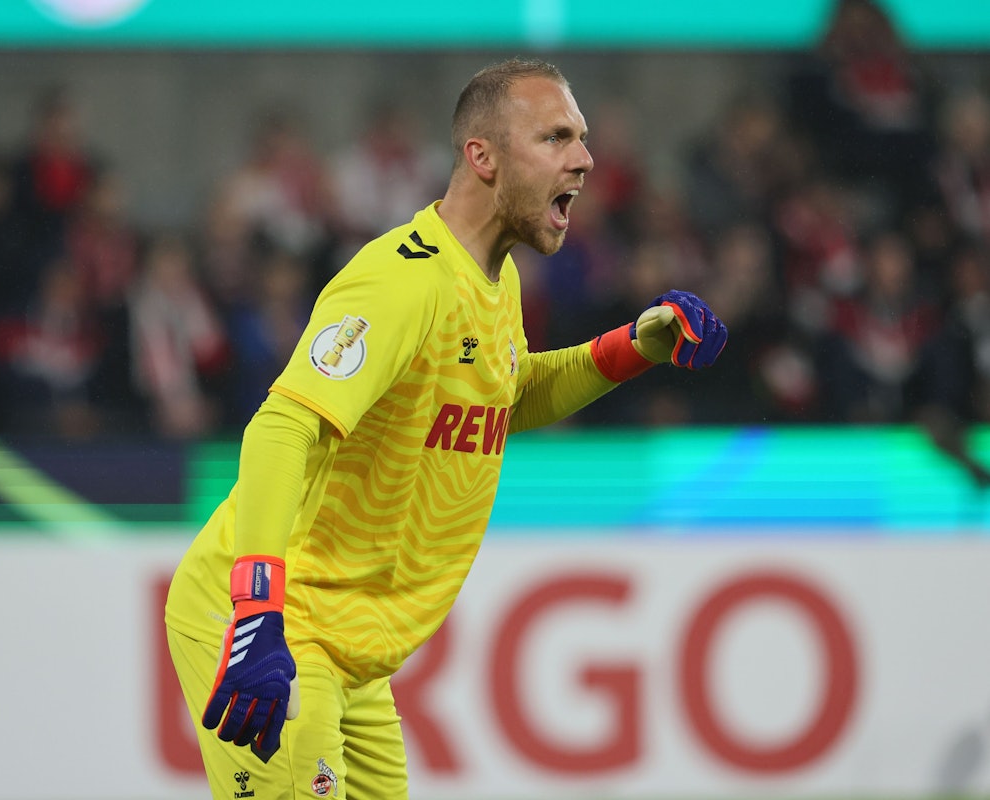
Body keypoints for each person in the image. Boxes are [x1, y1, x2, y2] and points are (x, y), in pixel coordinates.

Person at [164, 57, 727, 800]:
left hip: (350, 646)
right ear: (483, 157)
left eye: (582, 138)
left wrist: (634, 348)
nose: (585, 159)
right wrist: (255, 611)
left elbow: (504, 398)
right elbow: (281, 426)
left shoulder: (494, 280)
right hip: (276, 623)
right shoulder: (403, 280)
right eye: (556, 137)